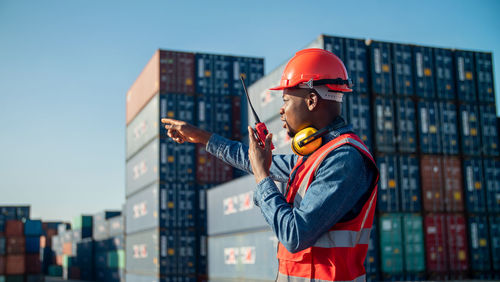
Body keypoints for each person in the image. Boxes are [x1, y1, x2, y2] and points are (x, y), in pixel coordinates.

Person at [162, 48, 379, 282]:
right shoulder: (314, 157)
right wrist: (201, 137)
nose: (281, 109)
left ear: (312, 100)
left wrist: (262, 179)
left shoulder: (344, 159)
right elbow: (252, 158)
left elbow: (295, 234)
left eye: (286, 100)